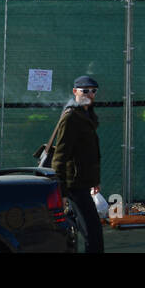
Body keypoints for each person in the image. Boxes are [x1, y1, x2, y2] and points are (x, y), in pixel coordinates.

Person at [49, 75, 104, 253]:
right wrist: (62, 190)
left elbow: (89, 153)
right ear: (75, 92)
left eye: (93, 91)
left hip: (83, 181)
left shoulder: (87, 113)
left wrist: (94, 181)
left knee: (77, 226)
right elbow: (61, 156)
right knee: (93, 230)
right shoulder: (71, 116)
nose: (90, 94)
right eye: (85, 90)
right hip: (74, 184)